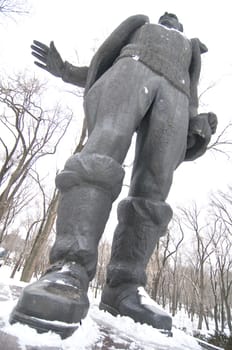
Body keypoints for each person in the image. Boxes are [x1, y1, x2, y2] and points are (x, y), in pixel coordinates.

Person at [10, 13, 217, 338]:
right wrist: (66, 71)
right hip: (129, 70)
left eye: (175, 18)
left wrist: (196, 126)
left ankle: (125, 286)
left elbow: (192, 96)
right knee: (102, 151)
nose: (169, 18)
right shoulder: (141, 24)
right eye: (166, 16)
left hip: (175, 96)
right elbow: (102, 60)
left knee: (155, 186)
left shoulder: (190, 49)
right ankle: (70, 268)